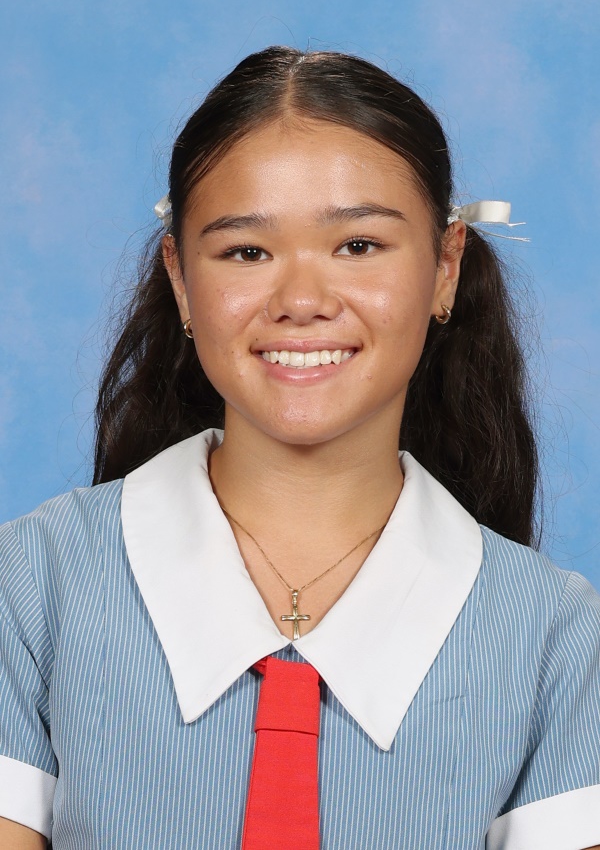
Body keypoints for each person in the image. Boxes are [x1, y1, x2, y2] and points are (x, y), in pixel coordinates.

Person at [0, 46, 599, 849]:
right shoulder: (29, 587)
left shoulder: (559, 641)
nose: (303, 301)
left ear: (446, 267)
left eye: (359, 245)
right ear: (180, 279)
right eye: (247, 252)